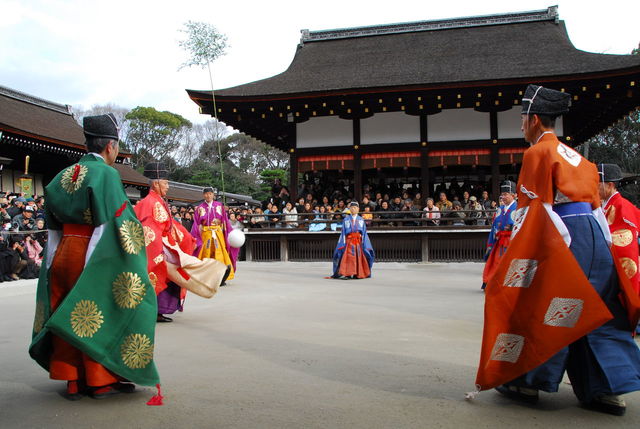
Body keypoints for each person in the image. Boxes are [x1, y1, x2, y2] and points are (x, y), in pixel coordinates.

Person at [477, 85, 640, 416]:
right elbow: (596, 210)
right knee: (598, 308)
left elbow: (535, 209)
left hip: (564, 237)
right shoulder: (579, 157)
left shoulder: (538, 153)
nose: (521, 125)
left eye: (522, 119)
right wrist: (604, 249)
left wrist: (534, 257)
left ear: (535, 120)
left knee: (548, 305)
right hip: (594, 236)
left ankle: (527, 381)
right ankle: (606, 390)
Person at [28, 113, 160, 400]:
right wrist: (96, 264)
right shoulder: (106, 174)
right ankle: (100, 381)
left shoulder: (62, 175)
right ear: (111, 146)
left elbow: (52, 228)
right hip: (93, 251)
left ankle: (72, 380)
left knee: (66, 308)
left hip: (63, 251)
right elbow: (112, 223)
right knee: (100, 310)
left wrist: (51, 263)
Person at [134, 163, 228, 323]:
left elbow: (171, 225)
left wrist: (185, 237)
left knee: (183, 269)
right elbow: (149, 229)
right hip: (158, 247)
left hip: (168, 244)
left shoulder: (158, 201)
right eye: (166, 183)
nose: (168, 186)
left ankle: (216, 274)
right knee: (179, 270)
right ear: (156, 183)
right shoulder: (150, 203)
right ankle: (214, 275)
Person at [598, 164, 640, 295]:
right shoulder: (608, 205)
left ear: (610, 185)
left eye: (597, 183)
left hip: (616, 269)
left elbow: (626, 246)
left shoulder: (621, 206)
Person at [191, 187, 238, 284]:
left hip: (217, 233)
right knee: (206, 254)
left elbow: (225, 221)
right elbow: (196, 224)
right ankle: (205, 276)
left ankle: (221, 276)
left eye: (210, 194)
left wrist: (229, 233)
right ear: (203, 195)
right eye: (206, 194)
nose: (208, 196)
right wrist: (195, 237)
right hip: (205, 234)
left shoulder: (219, 206)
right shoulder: (200, 208)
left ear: (213, 195)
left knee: (219, 253)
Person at [480, 181, 517, 290]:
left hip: (512, 242)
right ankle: (493, 284)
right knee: (495, 263)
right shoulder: (500, 209)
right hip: (499, 242)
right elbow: (494, 228)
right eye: (502, 194)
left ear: (513, 195)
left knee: (510, 264)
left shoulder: (518, 208)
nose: (503, 197)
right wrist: (491, 243)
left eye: (506, 194)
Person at [330, 202, 374, 279]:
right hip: (349, 241)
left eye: (355, 208)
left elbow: (364, 232)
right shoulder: (346, 219)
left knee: (359, 257)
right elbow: (343, 232)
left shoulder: (361, 219)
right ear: (349, 209)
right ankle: (348, 273)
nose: (353, 209)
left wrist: (364, 242)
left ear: (358, 209)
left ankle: (357, 273)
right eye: (352, 207)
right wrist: (343, 242)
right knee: (348, 257)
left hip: (358, 241)